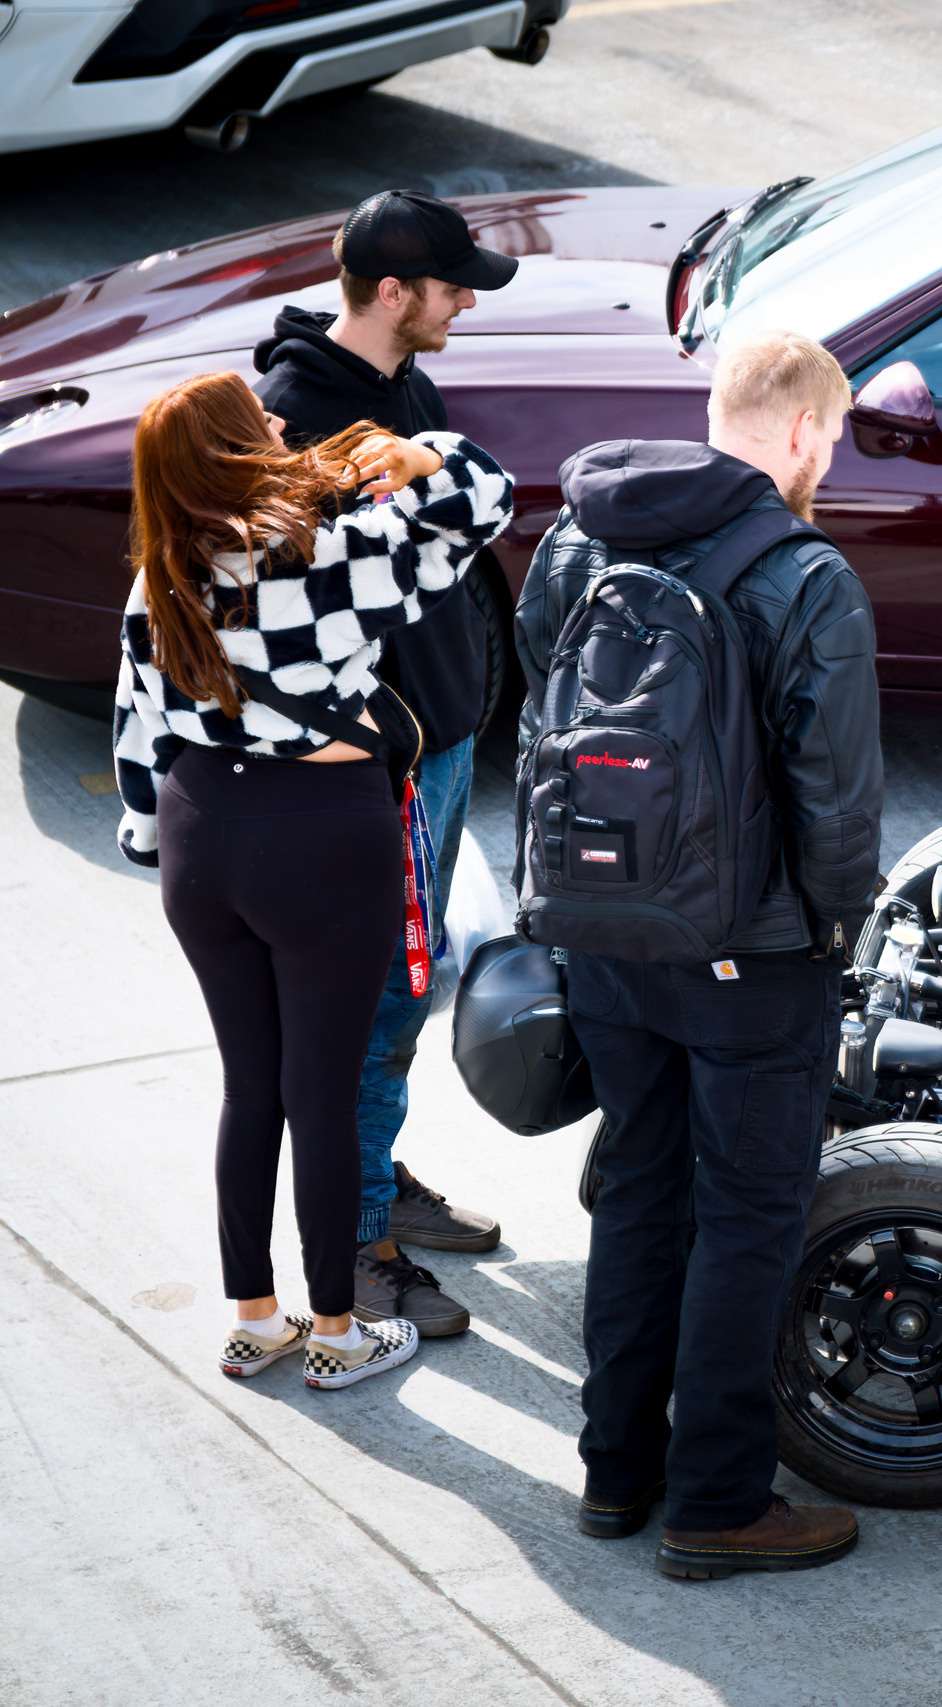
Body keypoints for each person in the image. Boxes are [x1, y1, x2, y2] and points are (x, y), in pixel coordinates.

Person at [514, 329, 884, 1577]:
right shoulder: (803, 573)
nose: (826, 458)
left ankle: (615, 1475)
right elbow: (834, 794)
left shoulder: (580, 538)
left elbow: (537, 696)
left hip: (607, 933)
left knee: (639, 1187)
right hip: (753, 954)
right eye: (827, 436)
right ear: (796, 431)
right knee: (745, 1218)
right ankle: (719, 1501)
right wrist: (837, 931)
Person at [111, 371, 515, 1390]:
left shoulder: (157, 571)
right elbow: (483, 503)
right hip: (324, 841)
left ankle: (255, 1319)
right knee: (324, 1097)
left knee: (250, 1091)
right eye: (262, 420)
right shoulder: (330, 554)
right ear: (236, 448)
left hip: (204, 840)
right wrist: (423, 457)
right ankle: (337, 1330)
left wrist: (158, 844)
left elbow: (137, 737)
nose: (283, 423)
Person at [254, 188, 521, 1338]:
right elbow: (277, 620)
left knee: (409, 993)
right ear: (394, 291)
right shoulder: (295, 418)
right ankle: (352, 1240)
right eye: (452, 285)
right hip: (380, 770)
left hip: (442, 742)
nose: (467, 301)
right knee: (375, 998)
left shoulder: (401, 386)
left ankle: (373, 1183)